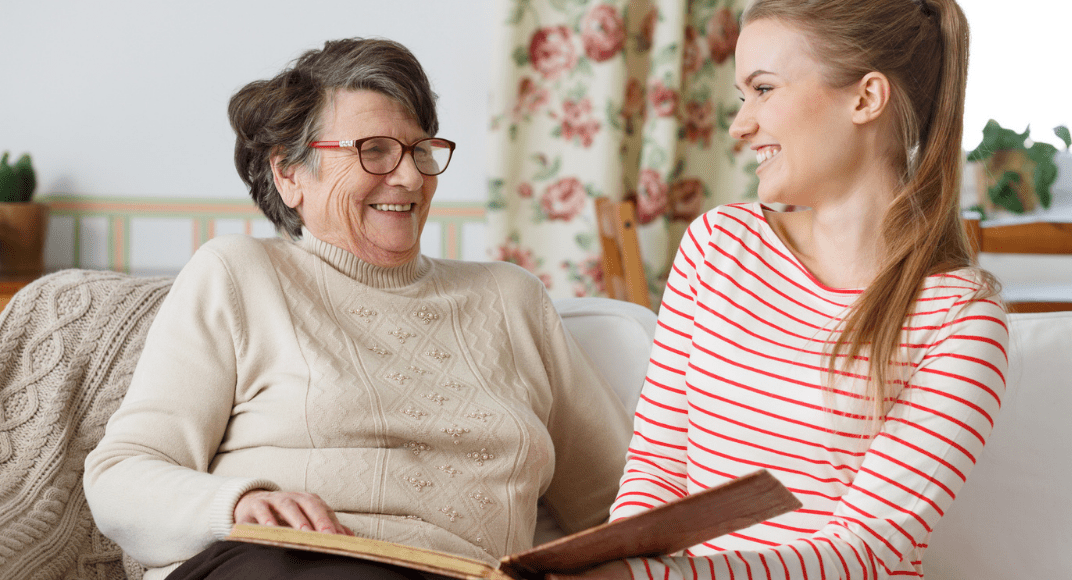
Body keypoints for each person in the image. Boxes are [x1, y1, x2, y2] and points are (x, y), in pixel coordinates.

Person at [83, 38, 632, 580]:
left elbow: (627, 501)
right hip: (275, 563)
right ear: (289, 174)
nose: (411, 177)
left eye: (419, 150)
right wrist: (237, 504)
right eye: (374, 150)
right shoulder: (238, 275)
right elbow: (120, 476)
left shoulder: (513, 300)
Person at [550, 1, 1008, 579]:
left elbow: (864, 550)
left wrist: (648, 578)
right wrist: (615, 564)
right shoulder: (718, 246)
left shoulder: (962, 320)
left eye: (764, 89)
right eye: (744, 96)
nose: (741, 125)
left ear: (866, 98)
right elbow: (658, 472)